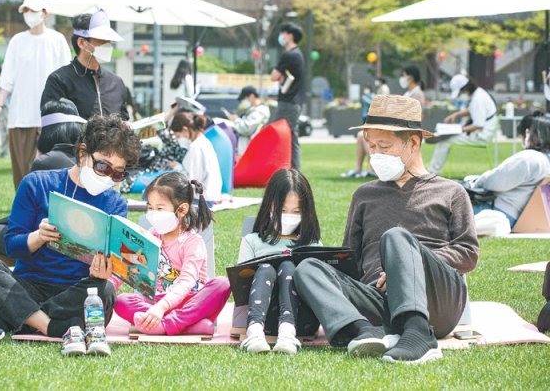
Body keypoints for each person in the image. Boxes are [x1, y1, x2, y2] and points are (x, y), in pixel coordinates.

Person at [294, 95, 479, 364]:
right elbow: (351, 259)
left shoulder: (451, 192)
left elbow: (468, 253)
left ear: (413, 143)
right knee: (308, 267)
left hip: (436, 302)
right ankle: (362, 331)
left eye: (384, 145)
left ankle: (418, 333)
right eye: (371, 146)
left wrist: (405, 268)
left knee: (396, 237)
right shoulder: (363, 195)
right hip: (378, 302)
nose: (375, 154)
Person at [0, 114, 142, 357]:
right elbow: (11, 245)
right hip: (30, 286)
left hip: (78, 291)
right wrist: (38, 236)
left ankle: (27, 318)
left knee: (106, 292)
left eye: (118, 174)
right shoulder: (36, 184)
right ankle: (53, 327)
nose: (109, 177)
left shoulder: (115, 203)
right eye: (103, 167)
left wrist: (103, 271)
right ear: (82, 153)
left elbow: (109, 269)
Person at [0, 99, 87, 261]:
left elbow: (30, 216)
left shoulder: (46, 162)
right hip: (84, 239)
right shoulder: (86, 159)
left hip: (50, 240)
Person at [114, 172, 231, 336]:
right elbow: (127, 266)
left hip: (190, 303)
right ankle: (189, 327)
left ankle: (164, 324)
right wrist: (108, 288)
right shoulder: (151, 236)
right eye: (150, 207)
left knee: (222, 283)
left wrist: (161, 308)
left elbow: (186, 282)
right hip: (156, 301)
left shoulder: (192, 242)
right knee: (121, 301)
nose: (153, 213)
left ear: (182, 209)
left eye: (160, 208)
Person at [238, 169, 321, 354]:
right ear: (270, 206)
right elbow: (240, 288)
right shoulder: (253, 241)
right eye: (282, 210)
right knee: (266, 268)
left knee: (288, 266)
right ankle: (254, 333)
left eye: (296, 211)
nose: (289, 216)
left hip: (302, 321)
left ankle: (287, 333)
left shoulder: (312, 243)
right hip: (262, 317)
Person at [0, 0, 72, 188]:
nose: (29, 15)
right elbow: (7, 77)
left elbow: (66, 77)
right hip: (21, 114)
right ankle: (24, 204)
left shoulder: (57, 39)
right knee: (22, 167)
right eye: (26, 11)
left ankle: (50, 203)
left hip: (52, 115)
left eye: (33, 11)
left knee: (53, 165)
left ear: (45, 13)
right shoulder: (17, 41)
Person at [40, 10, 129, 121]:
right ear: (82, 43)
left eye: (109, 41)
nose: (107, 45)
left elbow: (124, 123)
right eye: (101, 40)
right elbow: (52, 125)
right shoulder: (59, 81)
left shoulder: (116, 83)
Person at [470, 116, 550, 227]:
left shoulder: (529, 159)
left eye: (529, 132)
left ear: (537, 137)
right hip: (516, 215)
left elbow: (495, 182)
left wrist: (475, 181)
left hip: (496, 211)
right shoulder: (545, 160)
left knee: (443, 207)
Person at [428, 74, 497, 174]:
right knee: (446, 137)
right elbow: (473, 111)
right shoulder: (478, 94)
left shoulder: (478, 99)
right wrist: (456, 115)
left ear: (465, 89)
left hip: (481, 135)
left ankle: (432, 172)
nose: (460, 96)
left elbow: (478, 125)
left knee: (445, 140)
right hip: (481, 131)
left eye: (460, 93)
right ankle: (432, 172)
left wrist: (458, 130)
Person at [270, 22, 305, 170]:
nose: (281, 36)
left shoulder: (289, 55)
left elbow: (274, 75)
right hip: (295, 102)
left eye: (283, 33)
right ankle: (293, 171)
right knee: (292, 137)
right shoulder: (299, 54)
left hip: (287, 103)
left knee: (277, 134)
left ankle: (284, 169)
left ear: (290, 36)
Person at [169, 112, 222, 203]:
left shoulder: (196, 147)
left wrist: (176, 167)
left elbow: (191, 180)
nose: (179, 139)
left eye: (178, 136)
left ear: (185, 130)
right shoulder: (203, 142)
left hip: (202, 199)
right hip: (209, 196)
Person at [224, 85, 270, 155]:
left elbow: (246, 128)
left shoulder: (260, 111)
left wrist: (236, 120)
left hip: (251, 151)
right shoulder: (253, 110)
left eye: (244, 99)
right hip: (247, 150)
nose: (243, 102)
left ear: (251, 96)